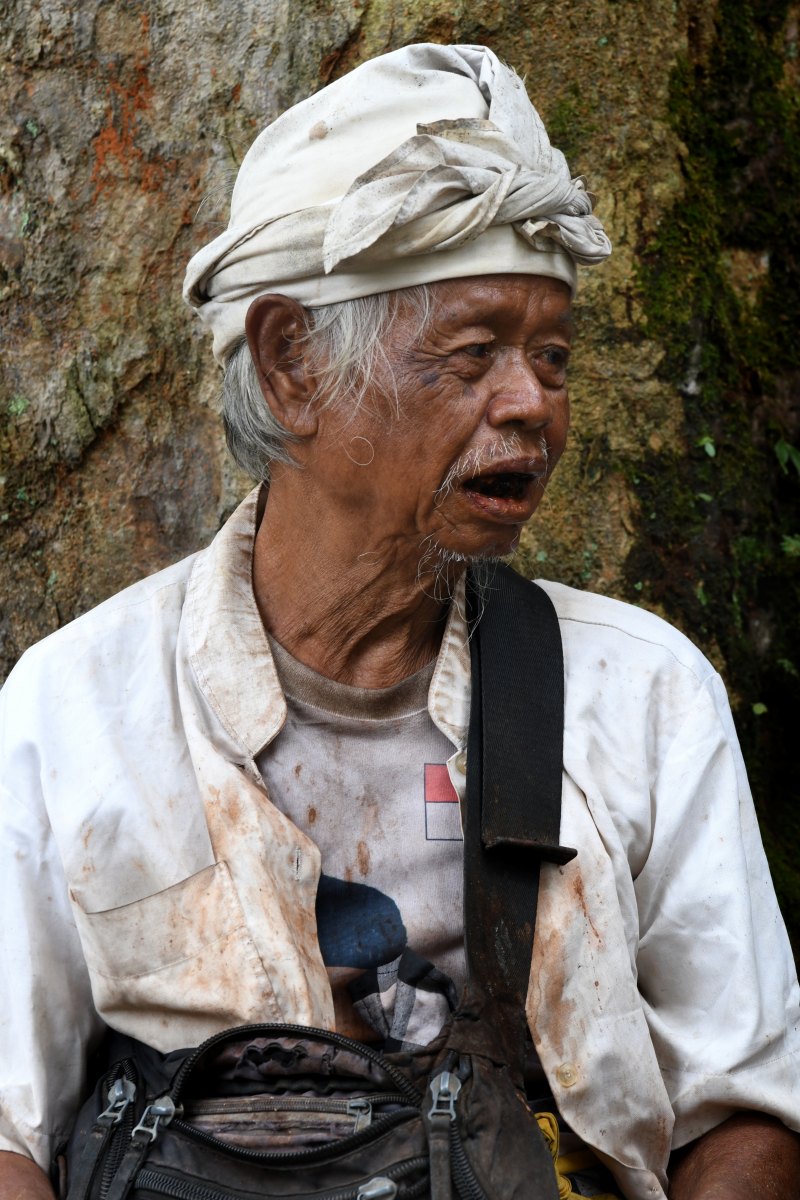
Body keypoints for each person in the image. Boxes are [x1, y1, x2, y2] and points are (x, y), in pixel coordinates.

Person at [0, 42, 798, 1200]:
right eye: (473, 354)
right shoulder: (75, 706)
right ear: (291, 365)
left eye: (551, 357)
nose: (530, 405)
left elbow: (744, 1109)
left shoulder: (640, 693)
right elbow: (7, 1127)